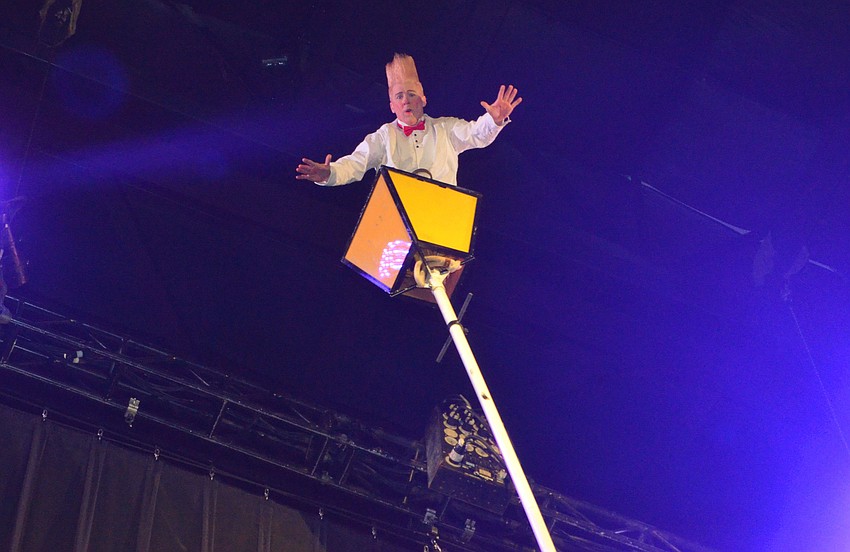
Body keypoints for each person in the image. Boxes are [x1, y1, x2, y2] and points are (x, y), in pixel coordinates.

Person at [296, 53, 522, 187]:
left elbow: (475, 134)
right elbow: (356, 163)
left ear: (423, 99)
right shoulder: (384, 136)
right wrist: (330, 173)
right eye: (399, 97)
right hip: (398, 219)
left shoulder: (445, 128)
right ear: (392, 106)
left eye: (412, 95)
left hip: (441, 215)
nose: (406, 101)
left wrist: (494, 120)